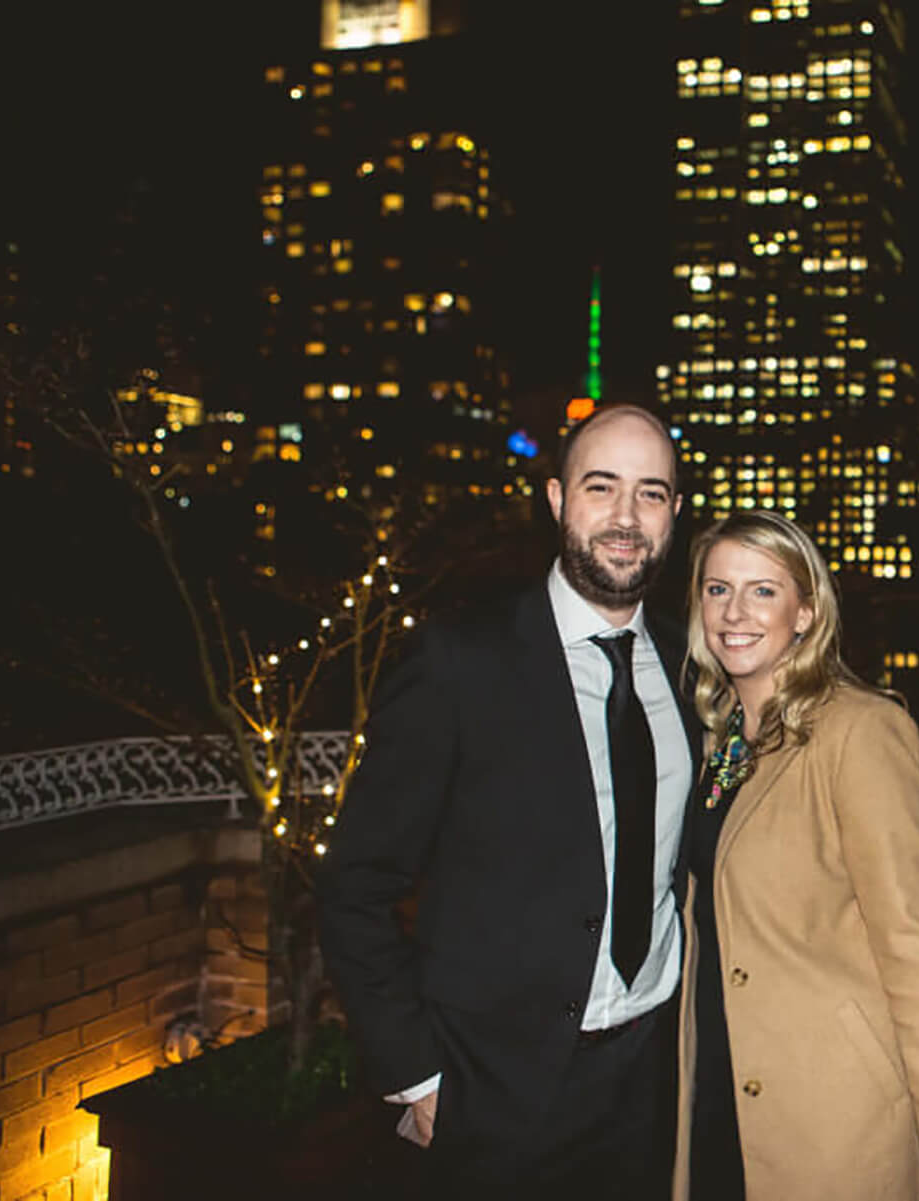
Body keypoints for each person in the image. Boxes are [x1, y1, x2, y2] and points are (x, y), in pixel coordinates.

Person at [318, 404, 700, 1197]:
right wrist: (415, 1073)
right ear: (558, 500)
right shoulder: (461, 660)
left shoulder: (691, 663)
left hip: (649, 1079)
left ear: (674, 513)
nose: (626, 517)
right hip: (491, 1093)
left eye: (651, 493)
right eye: (603, 487)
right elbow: (356, 882)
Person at [675, 511, 919, 1201]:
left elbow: (913, 944)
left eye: (763, 590)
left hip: (835, 1117)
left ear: (806, 612)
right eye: (717, 588)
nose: (734, 611)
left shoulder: (862, 731)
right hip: (717, 1095)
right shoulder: (718, 740)